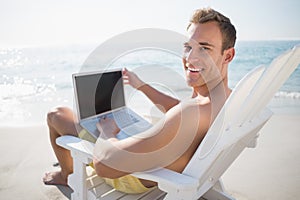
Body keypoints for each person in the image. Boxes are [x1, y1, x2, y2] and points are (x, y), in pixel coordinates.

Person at [43, 7, 236, 194]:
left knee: (57, 114)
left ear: (228, 55)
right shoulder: (223, 99)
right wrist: (141, 85)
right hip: (157, 159)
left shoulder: (191, 113)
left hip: (133, 178)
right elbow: (181, 109)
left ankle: (65, 173)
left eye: (204, 48)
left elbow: (104, 165)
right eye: (188, 47)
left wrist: (108, 132)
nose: (190, 58)